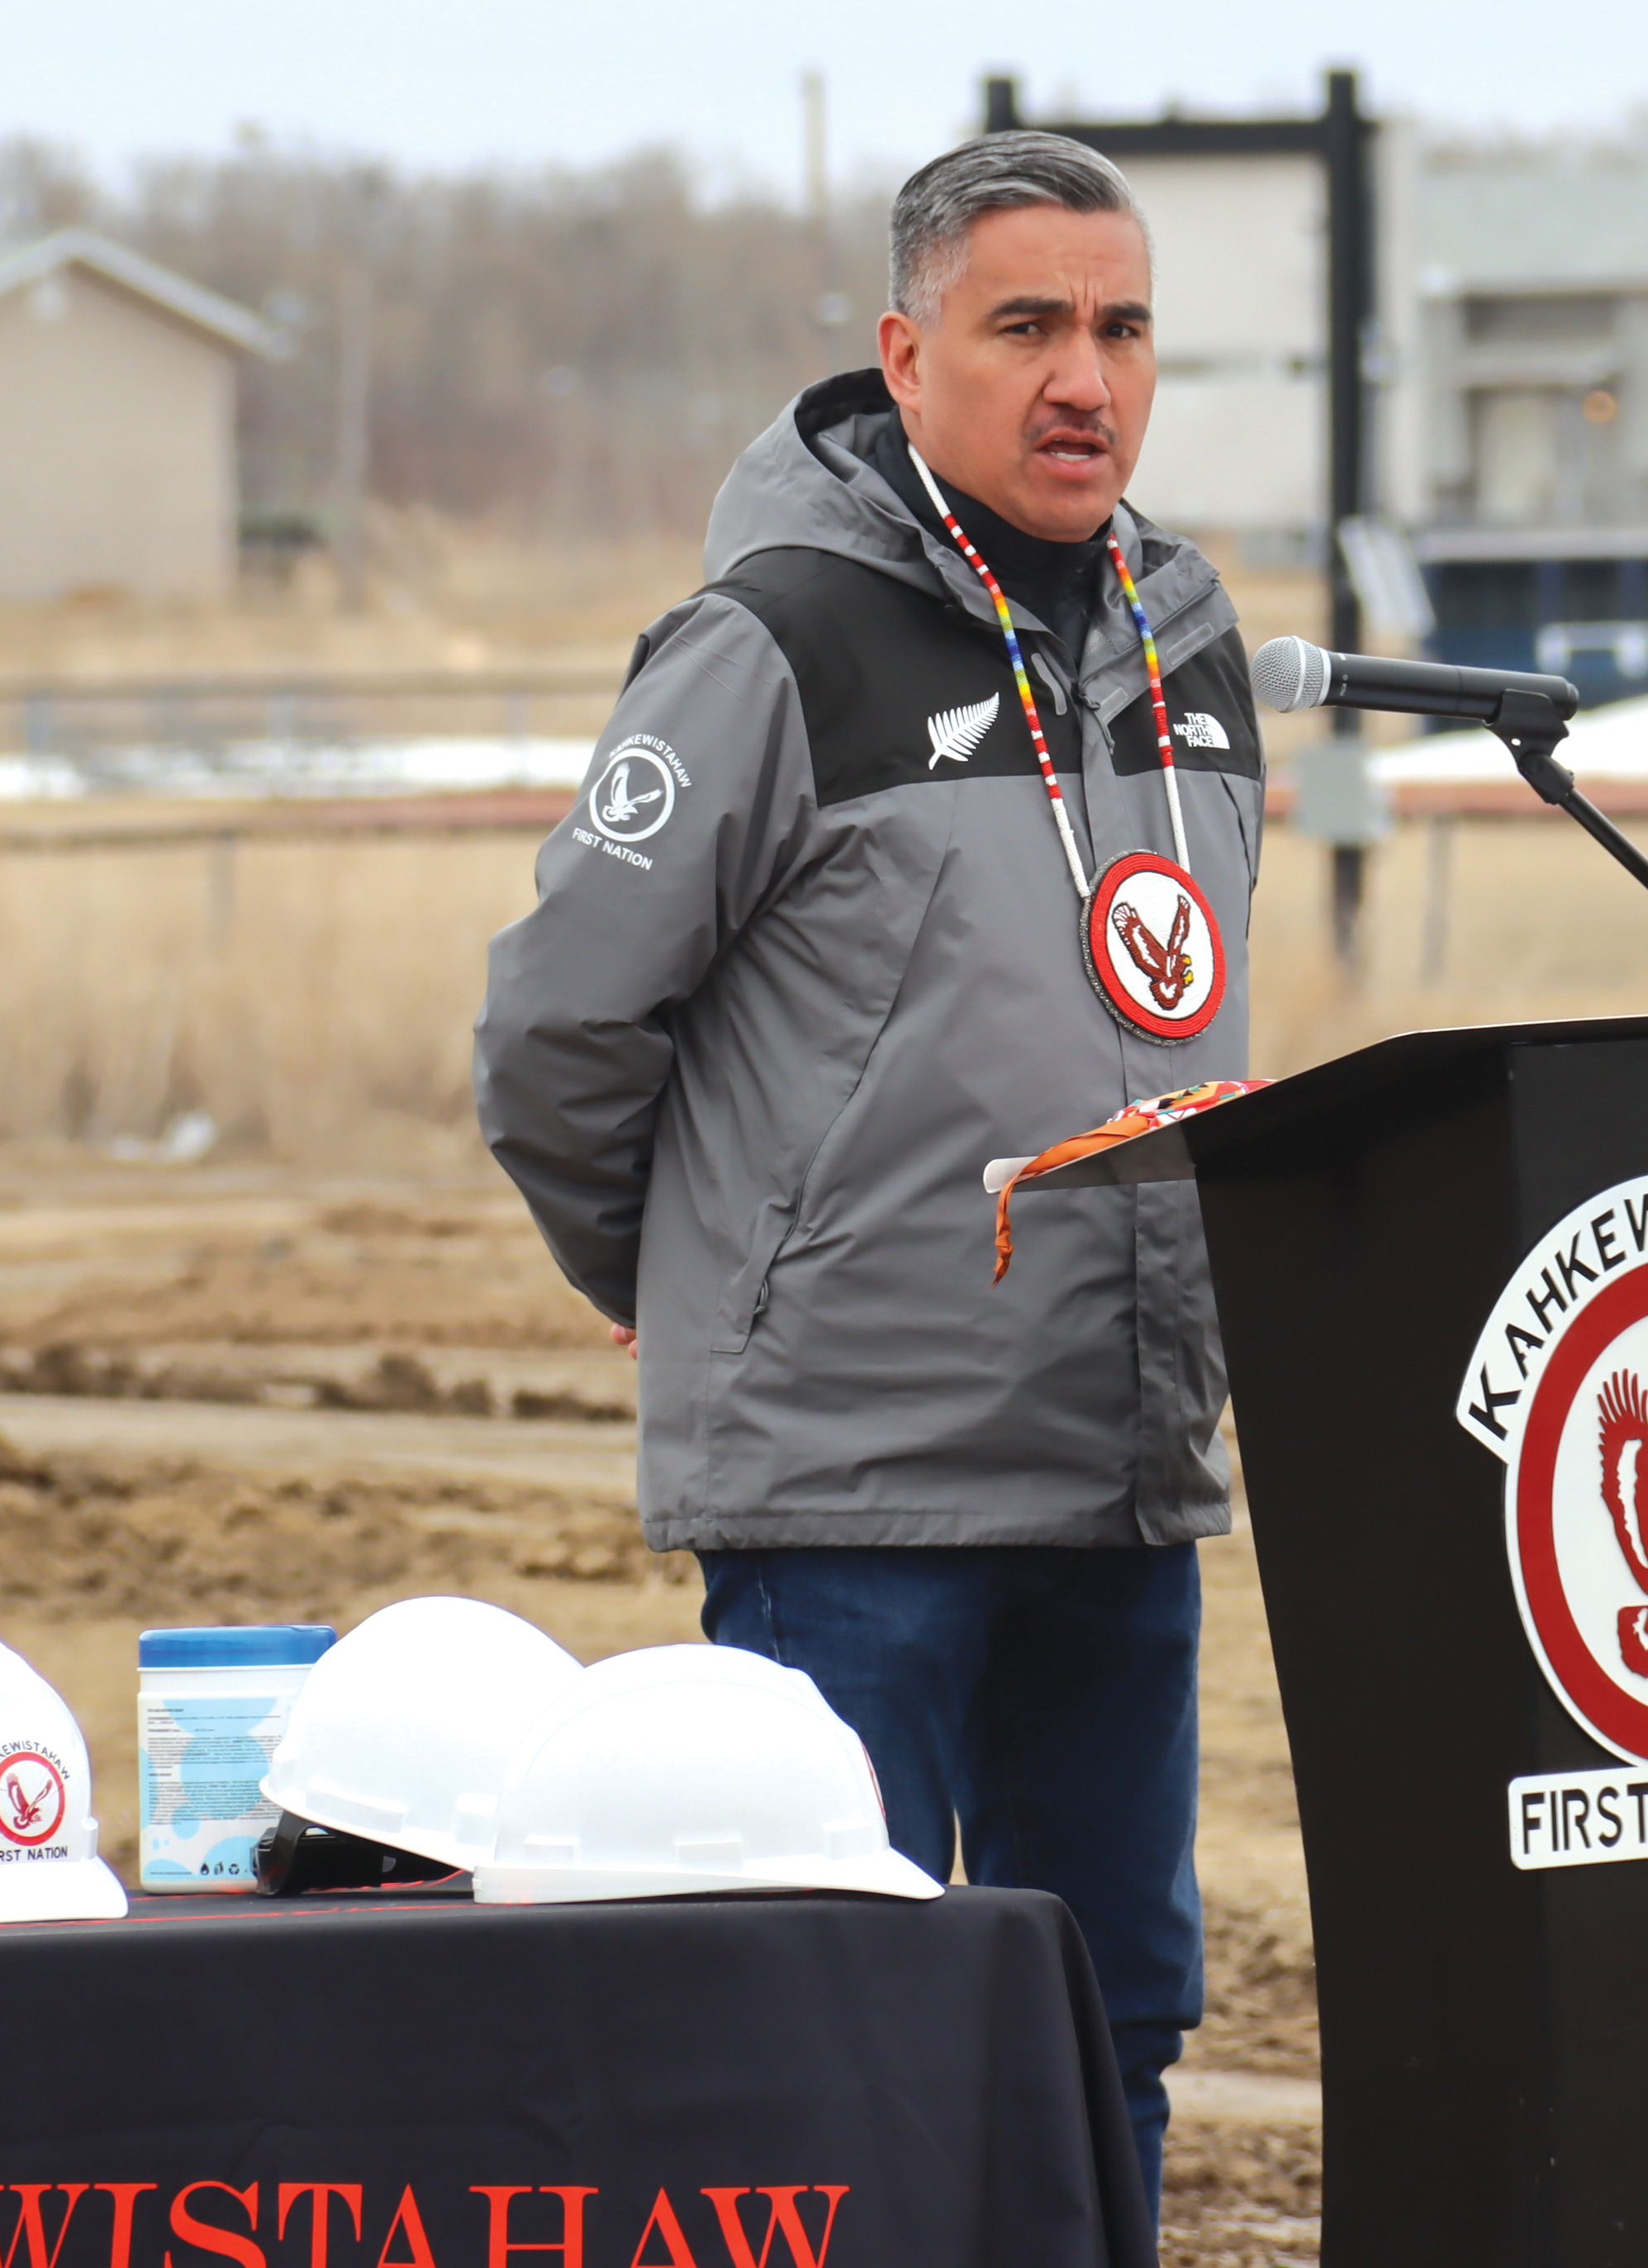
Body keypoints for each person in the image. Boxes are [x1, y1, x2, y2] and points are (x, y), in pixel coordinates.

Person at [473, 129, 1262, 2228]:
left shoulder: (1190, 637)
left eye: (1121, 327)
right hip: (850, 1494)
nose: (1084, 376)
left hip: (1120, 1471)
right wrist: (662, 1261)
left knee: (1115, 2018)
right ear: (906, 360)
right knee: (840, 2029)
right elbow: (557, 1027)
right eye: (1028, 328)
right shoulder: (771, 644)